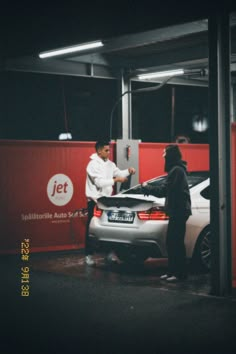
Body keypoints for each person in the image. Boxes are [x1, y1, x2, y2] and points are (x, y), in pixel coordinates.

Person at [142, 144, 192, 282]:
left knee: (175, 243)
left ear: (170, 155)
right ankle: (172, 272)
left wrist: (147, 187)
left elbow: (164, 190)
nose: (162, 155)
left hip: (179, 211)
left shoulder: (176, 171)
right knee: (173, 242)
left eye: (164, 153)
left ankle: (179, 274)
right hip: (178, 211)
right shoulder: (176, 170)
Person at [84, 140, 136, 266]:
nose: (109, 152)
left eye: (109, 150)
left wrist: (128, 171)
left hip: (108, 202)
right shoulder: (92, 165)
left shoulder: (110, 164)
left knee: (108, 230)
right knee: (91, 231)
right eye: (106, 150)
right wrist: (116, 180)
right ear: (99, 151)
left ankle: (108, 254)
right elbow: (99, 183)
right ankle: (89, 255)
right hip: (95, 202)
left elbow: (119, 173)